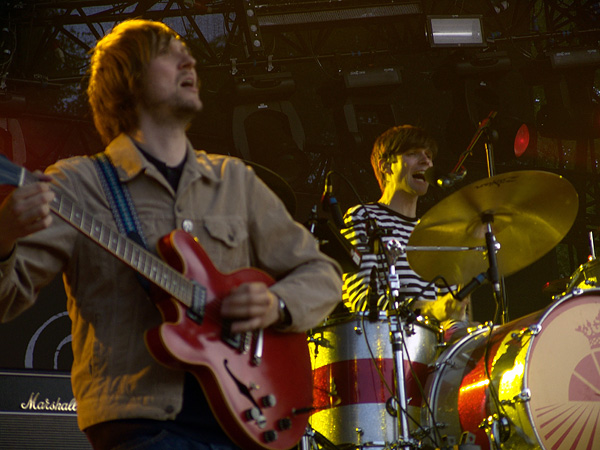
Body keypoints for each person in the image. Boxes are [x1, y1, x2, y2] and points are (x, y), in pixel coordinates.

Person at [0, 19, 342, 450]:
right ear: (127, 80)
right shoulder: (76, 185)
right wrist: (3, 237)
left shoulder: (234, 180)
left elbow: (323, 275)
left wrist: (275, 302)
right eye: (168, 52)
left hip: (250, 415)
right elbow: (6, 299)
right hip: (142, 423)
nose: (189, 60)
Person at [341, 125, 470, 339]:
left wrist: (458, 319)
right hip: (383, 348)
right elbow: (361, 299)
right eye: (412, 154)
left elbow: (451, 318)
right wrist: (428, 309)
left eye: (428, 156)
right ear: (386, 166)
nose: (426, 161)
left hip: (430, 354)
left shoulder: (436, 233)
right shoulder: (363, 217)